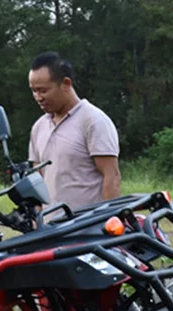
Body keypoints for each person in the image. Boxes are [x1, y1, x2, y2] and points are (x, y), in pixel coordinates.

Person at [28, 52, 121, 212]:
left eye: (43, 90)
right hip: (51, 230)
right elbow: (38, 180)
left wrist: (108, 220)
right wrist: (37, 219)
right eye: (34, 91)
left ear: (65, 84)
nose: (38, 97)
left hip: (86, 228)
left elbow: (111, 177)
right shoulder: (39, 127)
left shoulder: (93, 121)